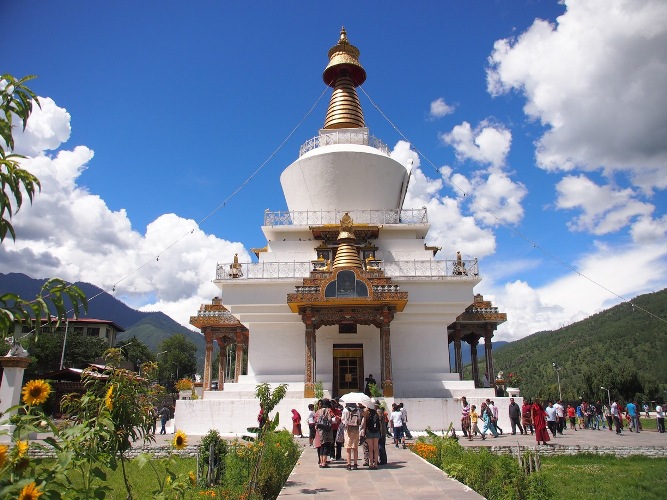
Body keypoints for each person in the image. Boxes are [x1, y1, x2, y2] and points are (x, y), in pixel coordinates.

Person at [314, 399, 336, 468]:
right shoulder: (328, 411)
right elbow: (330, 420)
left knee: (322, 447)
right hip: (327, 431)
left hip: (320, 430)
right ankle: (324, 463)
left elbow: (316, 420)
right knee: (326, 446)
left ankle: (321, 463)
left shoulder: (318, 411)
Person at [342, 402, 361, 470]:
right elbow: (359, 420)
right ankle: (355, 464)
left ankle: (349, 464)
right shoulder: (357, 410)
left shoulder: (345, 410)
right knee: (355, 448)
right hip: (356, 430)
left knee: (348, 448)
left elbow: (343, 419)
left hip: (348, 430)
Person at [362, 401, 381, 469]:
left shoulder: (367, 412)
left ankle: (370, 463)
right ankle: (375, 463)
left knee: (370, 448)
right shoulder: (378, 412)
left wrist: (364, 432)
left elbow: (364, 422)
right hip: (376, 431)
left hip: (369, 431)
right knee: (376, 448)